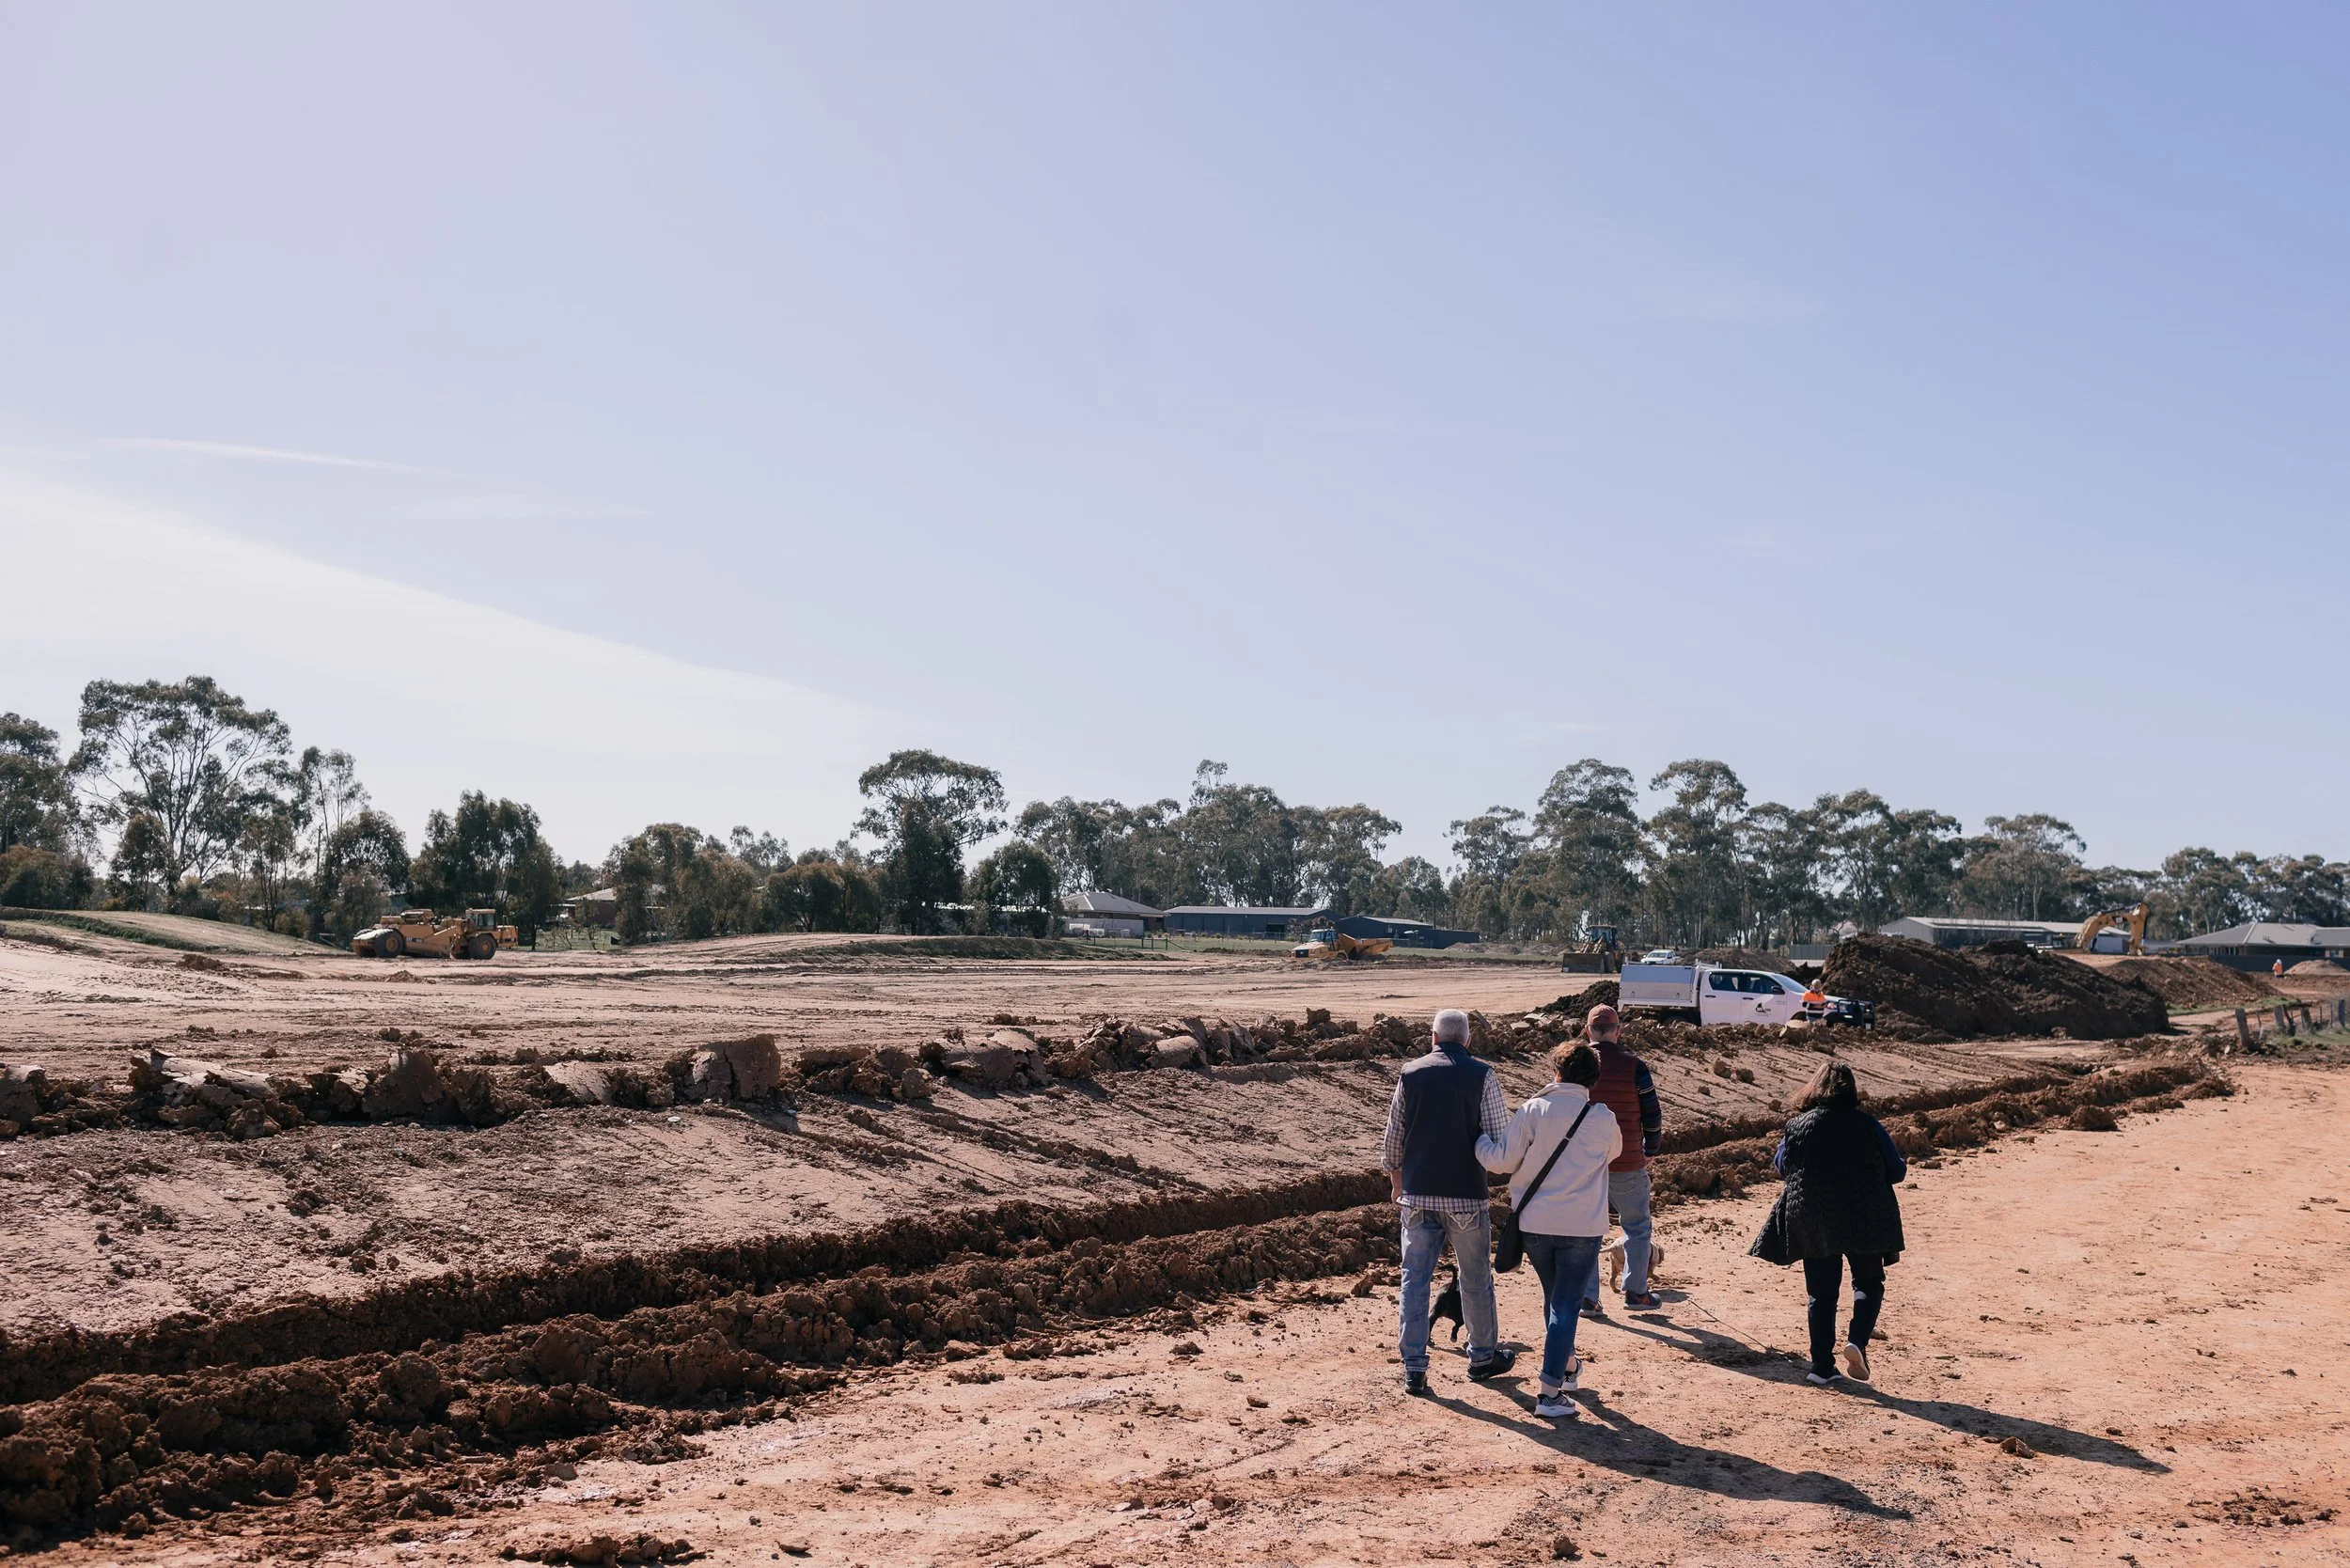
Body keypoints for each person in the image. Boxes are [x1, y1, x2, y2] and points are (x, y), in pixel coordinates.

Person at [1479, 1042, 1621, 1419]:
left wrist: (1476, 1140)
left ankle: (1567, 1367)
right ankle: (1550, 1392)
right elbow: (1614, 1153)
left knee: (1555, 1299)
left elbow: (1501, 1162)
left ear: (1556, 1072)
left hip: (1536, 1225)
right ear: (1592, 1078)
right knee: (1565, 1305)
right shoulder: (1603, 1117)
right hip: (1582, 1226)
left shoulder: (1533, 1110)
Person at [1382, 1008, 1517, 1395]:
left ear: (1433, 1038)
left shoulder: (1410, 1073)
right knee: (1475, 1279)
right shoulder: (1482, 1075)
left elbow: (1393, 1138)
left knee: (1414, 1280)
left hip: (1418, 1194)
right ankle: (1482, 1356)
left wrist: (1396, 1182)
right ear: (1468, 1040)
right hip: (1466, 1197)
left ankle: (1414, 1365)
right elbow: (1496, 1136)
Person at [1749, 1059, 1907, 1386]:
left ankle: (1821, 1366)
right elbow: (1897, 1171)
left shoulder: (1796, 1126)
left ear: (1815, 1088)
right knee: (1867, 1282)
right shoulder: (1869, 1125)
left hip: (1814, 1215)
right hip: (1865, 1213)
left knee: (1821, 1294)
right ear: (1851, 1090)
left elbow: (1782, 1167)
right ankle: (1857, 1341)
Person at [1578, 1004, 1663, 1314]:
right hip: (1627, 1161)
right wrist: (1650, 1150)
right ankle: (1636, 1292)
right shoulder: (1635, 1066)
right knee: (1637, 1227)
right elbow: (1653, 1115)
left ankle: (1588, 1298)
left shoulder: (1575, 1065)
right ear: (1618, 1030)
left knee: (1587, 1230)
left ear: (1588, 1031)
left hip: (1585, 1164)